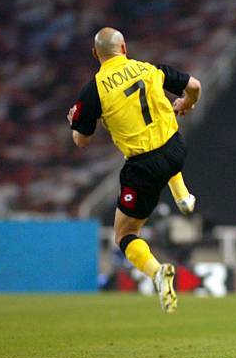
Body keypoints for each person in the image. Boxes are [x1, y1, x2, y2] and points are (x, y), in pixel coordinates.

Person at [67, 27, 201, 313]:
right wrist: (186, 103)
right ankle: (183, 197)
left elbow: (81, 140)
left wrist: (73, 123)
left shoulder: (95, 90)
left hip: (143, 169)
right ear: (124, 48)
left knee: (125, 235)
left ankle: (157, 273)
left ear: (95, 54)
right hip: (176, 149)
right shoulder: (151, 69)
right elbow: (195, 86)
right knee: (162, 139)